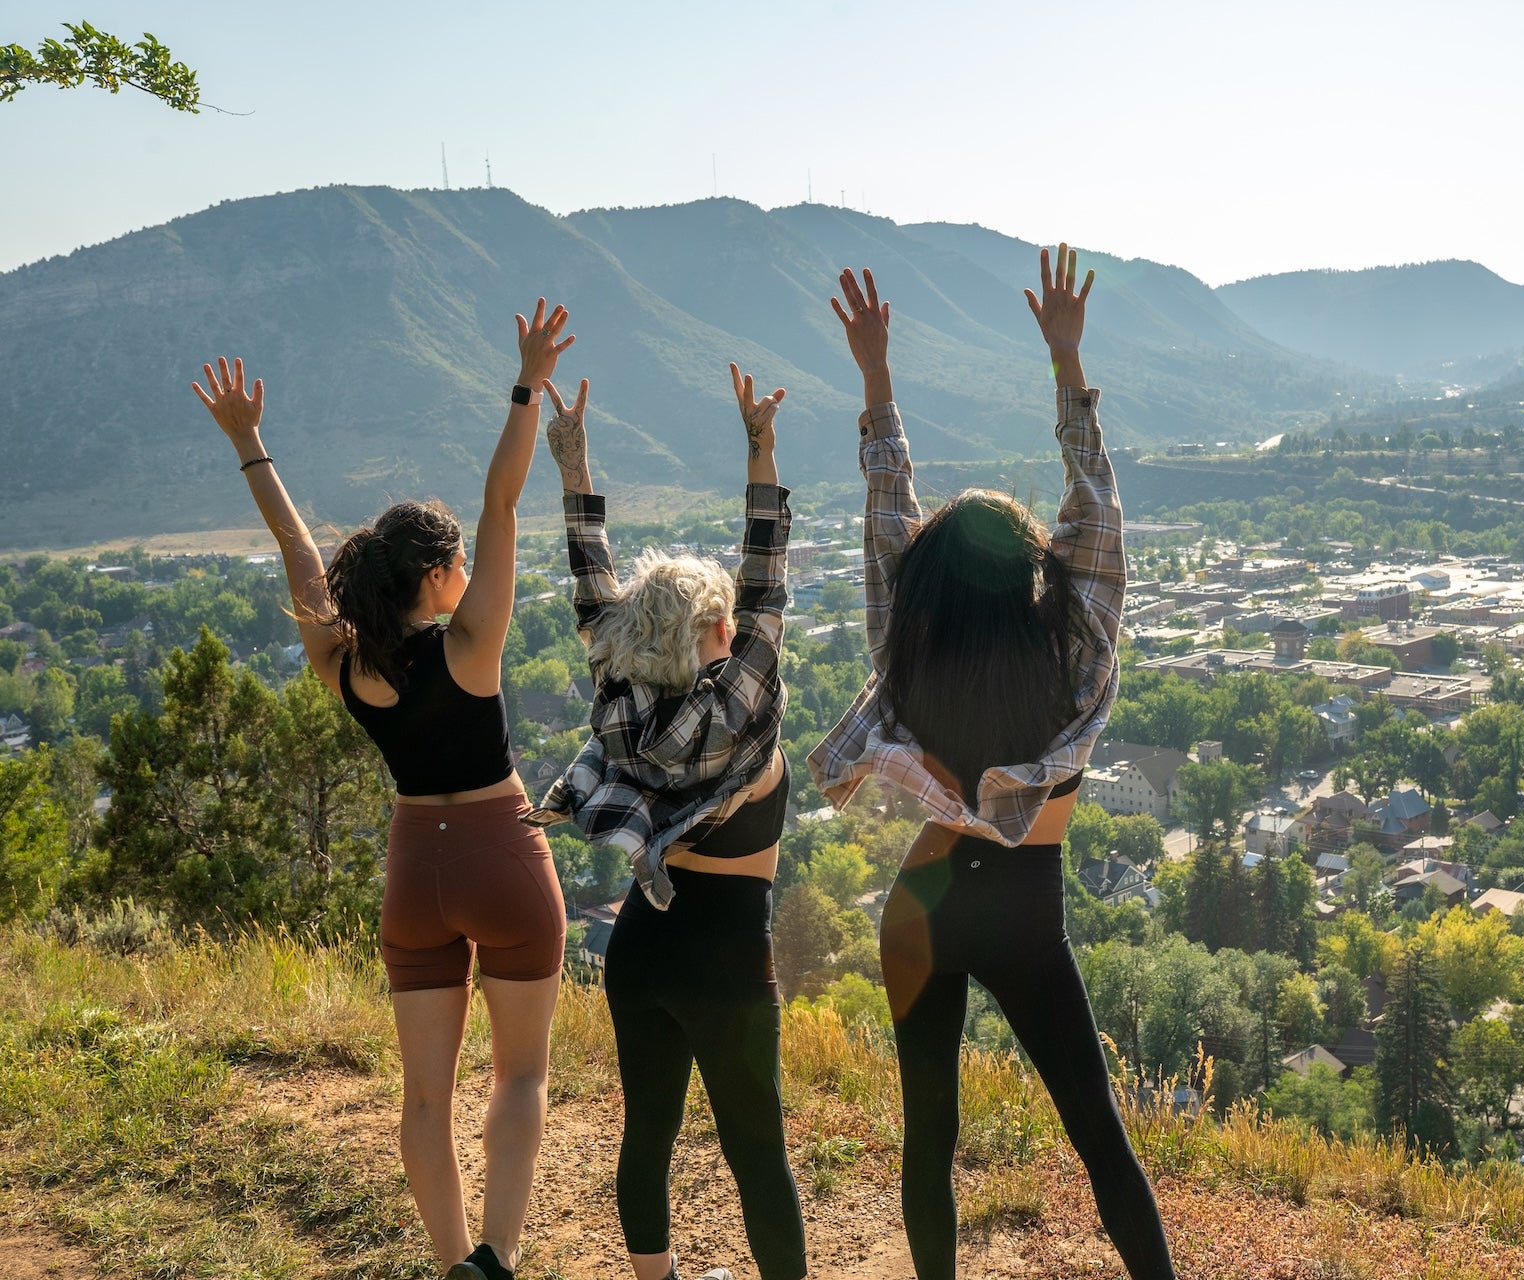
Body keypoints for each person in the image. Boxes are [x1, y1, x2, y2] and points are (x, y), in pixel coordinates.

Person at [807, 249, 1178, 1280]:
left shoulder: (908, 644)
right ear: (1032, 570)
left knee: (931, 1138)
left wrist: (876, 380)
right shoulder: (1070, 657)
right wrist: (1067, 361)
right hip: (1024, 911)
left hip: (921, 898)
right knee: (1100, 1135)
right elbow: (1096, 503)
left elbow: (889, 509)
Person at [192, 299, 576, 1280]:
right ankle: (499, 1253)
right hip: (501, 852)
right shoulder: (473, 646)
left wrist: (251, 444)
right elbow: (501, 503)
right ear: (444, 575)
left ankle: (453, 1262)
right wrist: (526, 384)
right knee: (522, 1071)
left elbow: (297, 555)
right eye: (457, 566)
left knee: (423, 1100)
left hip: (414, 875)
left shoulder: (344, 662)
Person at [524, 364, 806, 1280]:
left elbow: (593, 587)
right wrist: (759, 446)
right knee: (756, 1153)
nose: (737, 620)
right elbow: (769, 569)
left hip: (642, 950)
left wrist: (572, 466)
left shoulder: (619, 698)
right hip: (728, 958)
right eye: (722, 617)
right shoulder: (740, 711)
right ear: (714, 632)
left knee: (646, 1133)